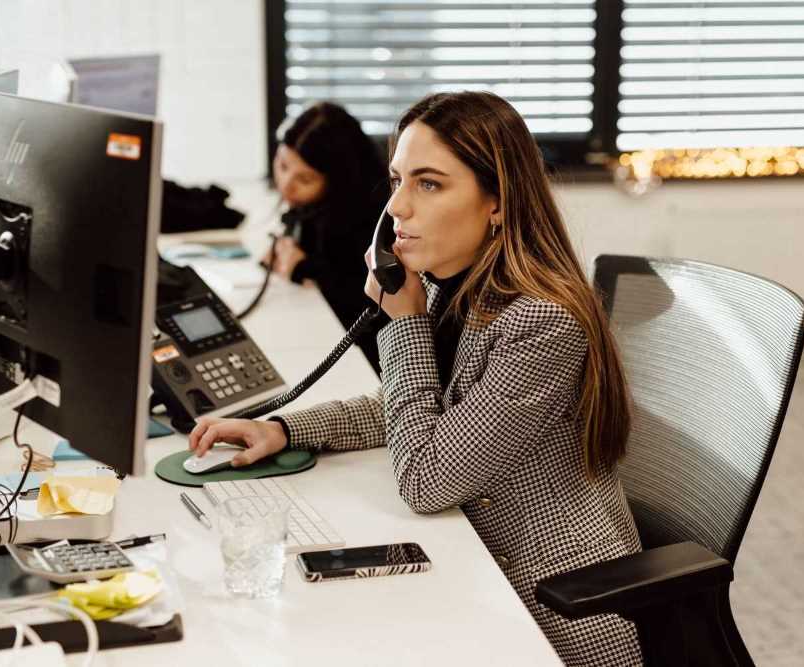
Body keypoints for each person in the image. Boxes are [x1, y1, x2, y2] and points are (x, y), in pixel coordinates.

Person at [191, 91, 643, 665]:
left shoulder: (539, 320)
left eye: (429, 184)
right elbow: (411, 407)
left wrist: (403, 321)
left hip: (552, 607)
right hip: (474, 557)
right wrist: (282, 428)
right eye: (397, 179)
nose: (398, 207)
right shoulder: (452, 282)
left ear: (497, 201)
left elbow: (425, 479)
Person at [266, 102, 389, 374]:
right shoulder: (314, 205)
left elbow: (369, 305)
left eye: (305, 178)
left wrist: (303, 267)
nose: (286, 184)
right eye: (282, 165)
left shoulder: (371, 217)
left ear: (337, 180)